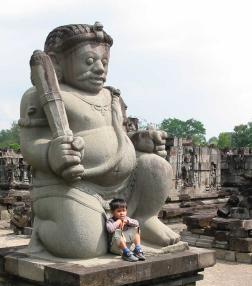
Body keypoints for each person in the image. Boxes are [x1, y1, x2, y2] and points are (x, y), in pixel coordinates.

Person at [19, 22, 180, 259]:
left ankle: (146, 218)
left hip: (124, 185)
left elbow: (119, 134)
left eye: (104, 62)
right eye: (89, 61)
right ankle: (44, 227)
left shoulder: (112, 96)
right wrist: (51, 153)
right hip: (71, 186)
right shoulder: (40, 96)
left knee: (157, 166)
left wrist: (140, 140)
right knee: (84, 246)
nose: (99, 69)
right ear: (57, 63)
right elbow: (30, 144)